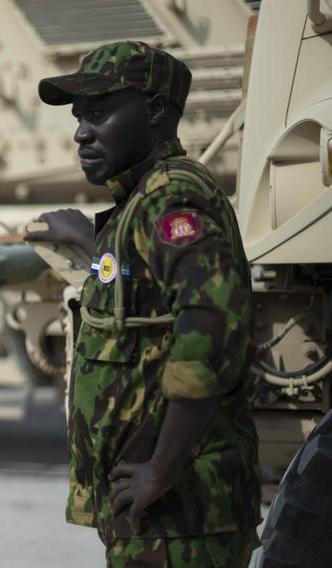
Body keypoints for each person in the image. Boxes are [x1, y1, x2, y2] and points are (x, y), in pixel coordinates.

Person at [26, 41, 260, 567]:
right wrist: (92, 244)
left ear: (155, 110)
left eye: (100, 112)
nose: (81, 131)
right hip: (162, 518)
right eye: (80, 116)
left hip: (184, 517)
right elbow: (141, 291)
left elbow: (210, 335)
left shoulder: (172, 198)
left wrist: (161, 469)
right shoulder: (143, 200)